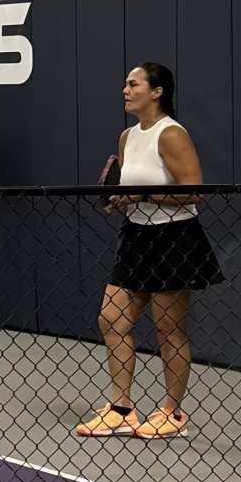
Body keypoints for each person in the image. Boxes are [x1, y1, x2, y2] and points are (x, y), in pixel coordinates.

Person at [82, 59, 220, 441]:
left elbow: (193, 191)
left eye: (133, 84)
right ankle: (122, 408)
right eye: (125, 85)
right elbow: (129, 191)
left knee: (168, 330)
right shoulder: (127, 137)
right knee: (112, 321)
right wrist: (120, 202)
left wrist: (142, 194)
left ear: (157, 92)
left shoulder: (171, 134)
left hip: (174, 238)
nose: (126, 91)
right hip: (137, 236)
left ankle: (172, 413)